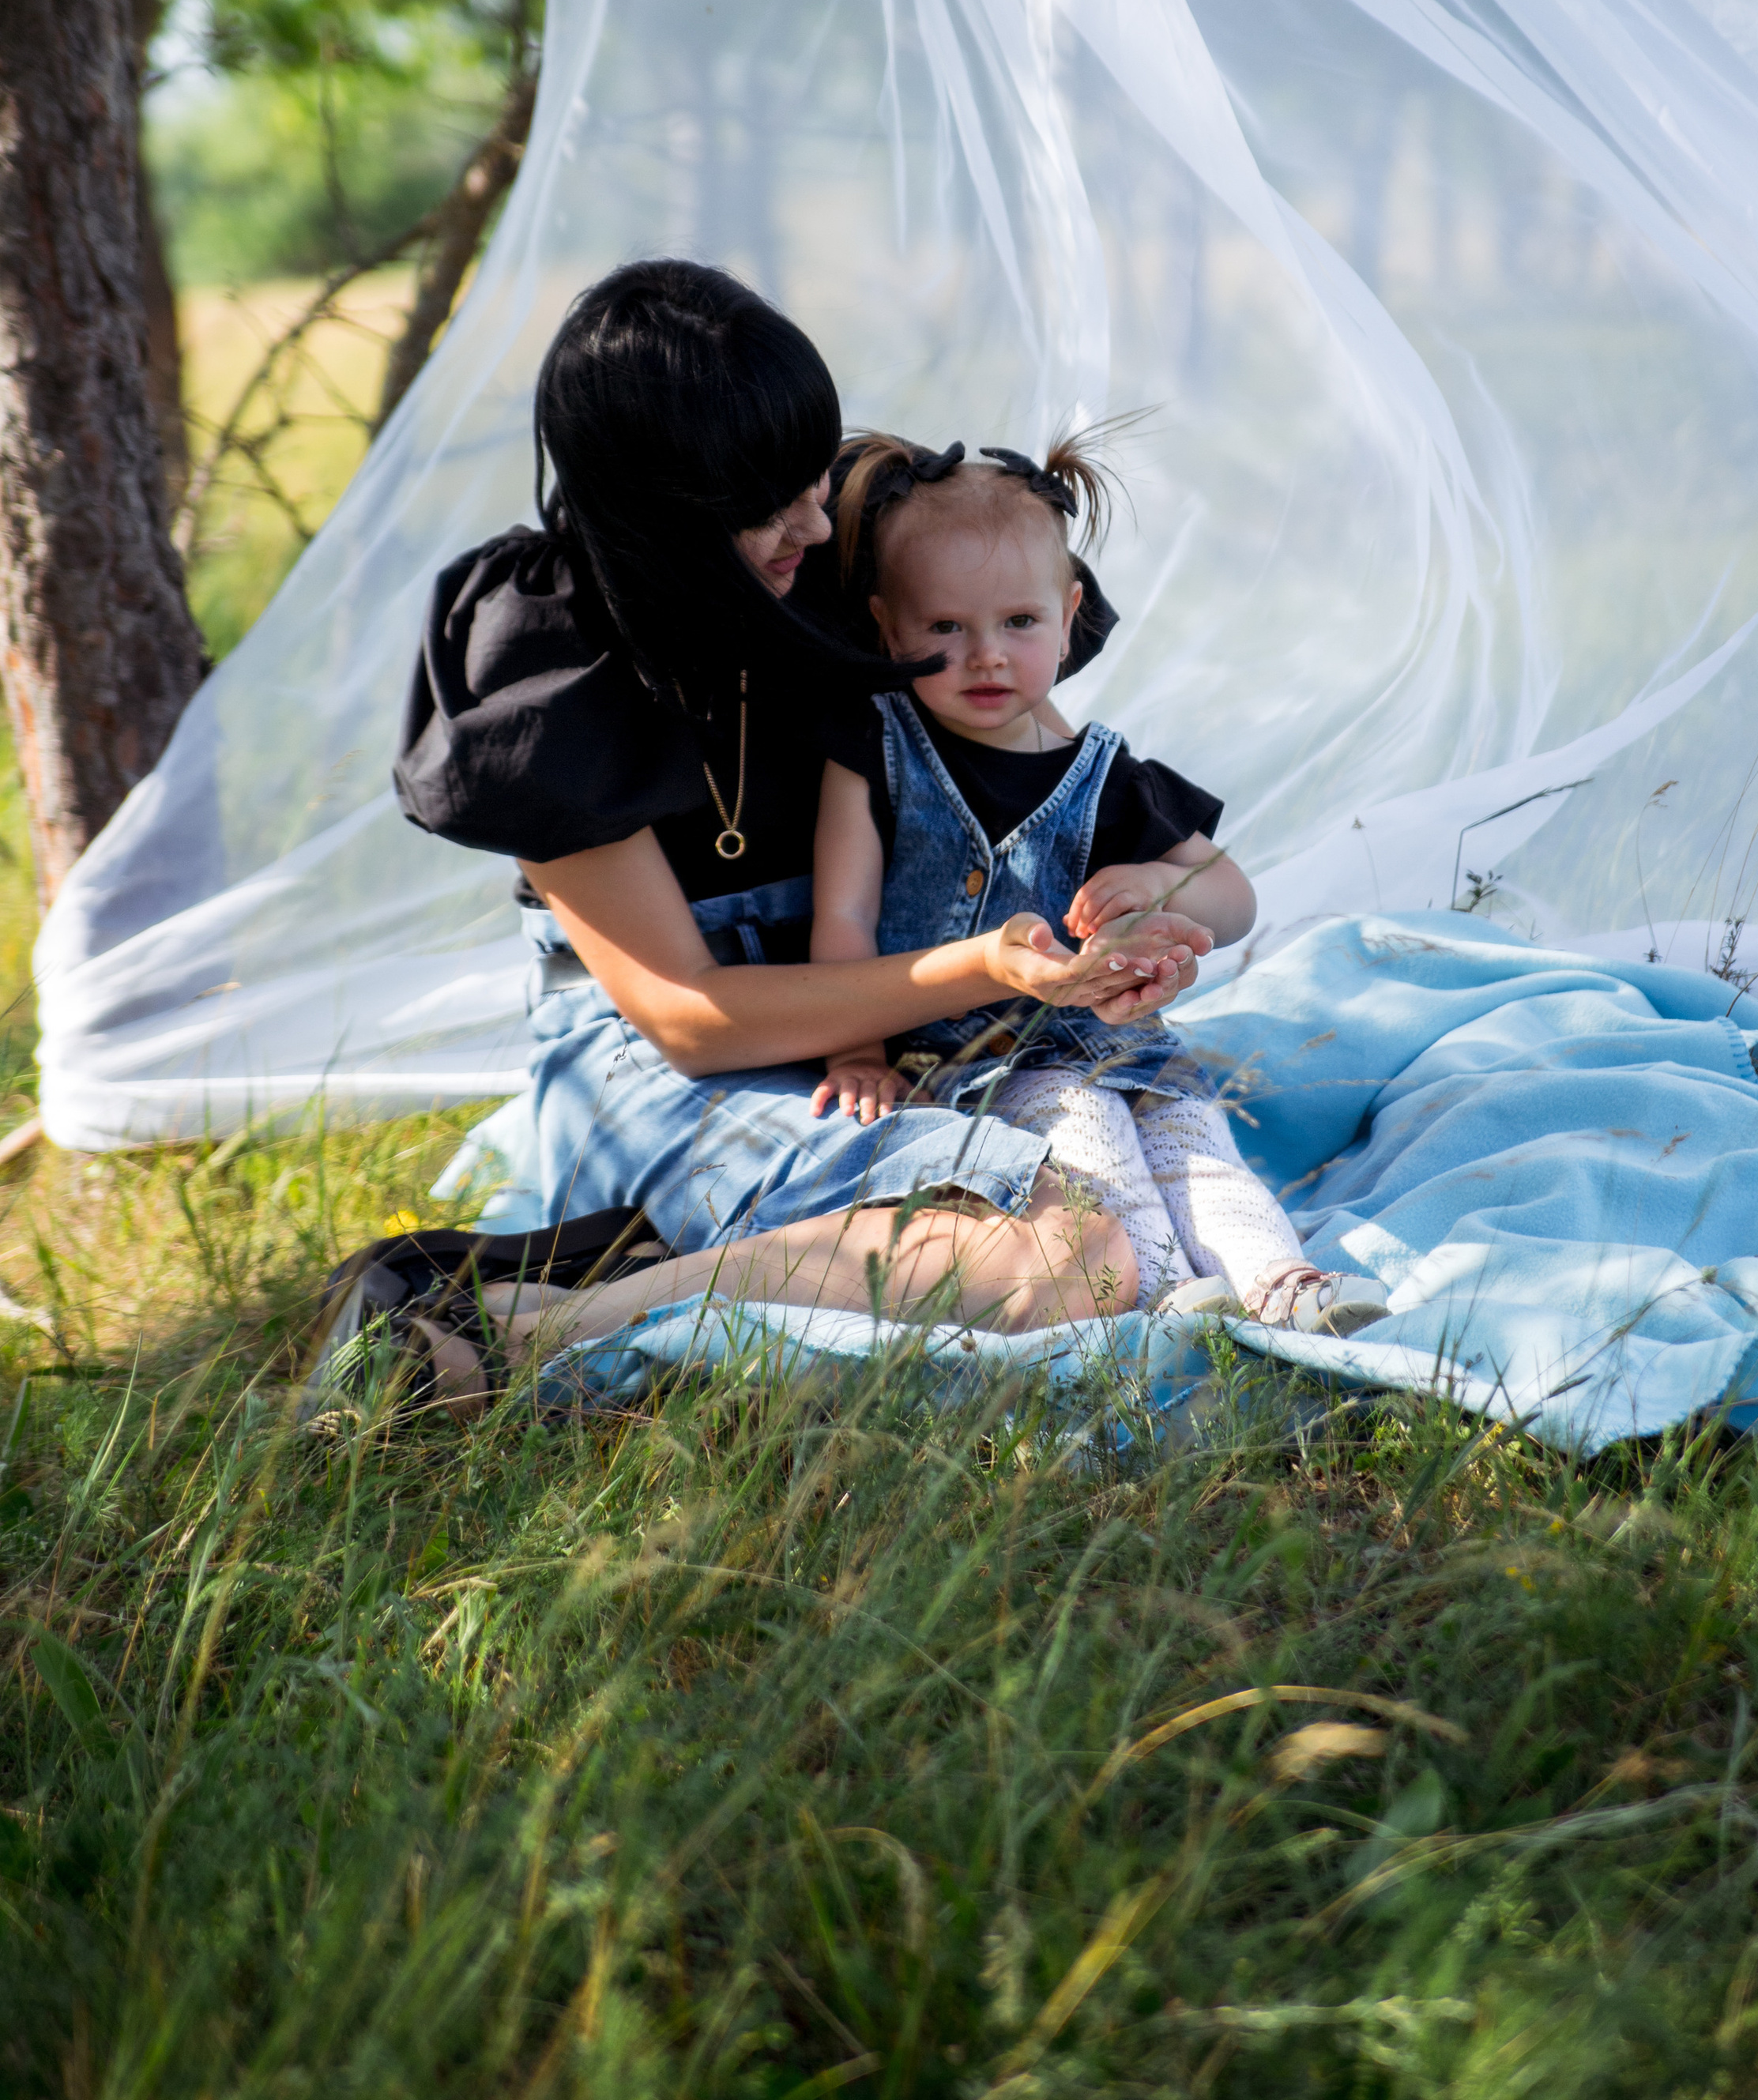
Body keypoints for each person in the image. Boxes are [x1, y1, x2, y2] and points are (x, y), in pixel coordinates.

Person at [314, 259, 1211, 1414]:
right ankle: (501, 1331)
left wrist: (1119, 905)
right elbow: (690, 1019)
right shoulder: (543, 658)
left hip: (897, 1008)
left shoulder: (836, 547)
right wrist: (974, 967)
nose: (810, 520)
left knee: (1119, 1199)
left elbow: (1022, 696)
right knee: (1068, 1260)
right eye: (764, 501)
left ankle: (635, 1281)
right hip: (673, 1050)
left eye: (809, 477)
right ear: (660, 512)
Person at [806, 434, 1387, 1335]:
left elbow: (1233, 898)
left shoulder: (1102, 772)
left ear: (1070, 613)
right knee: (1089, 1142)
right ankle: (1159, 1298)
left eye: (1019, 624)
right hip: (986, 1061)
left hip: (1129, 1041)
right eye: (945, 630)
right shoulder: (877, 753)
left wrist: (1158, 884)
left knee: (1197, 1147)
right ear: (888, 627)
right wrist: (852, 1052)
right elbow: (843, 912)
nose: (986, 657)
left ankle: (1282, 1282)